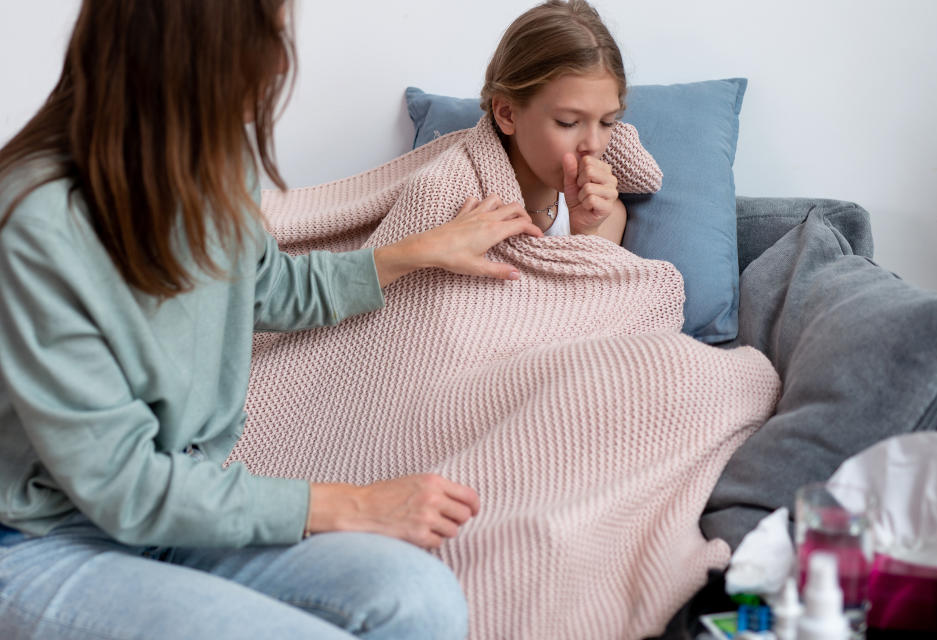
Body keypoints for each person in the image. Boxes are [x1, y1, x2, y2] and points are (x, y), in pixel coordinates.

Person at [0, 1, 542, 639]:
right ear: (195, 52)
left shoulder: (207, 165)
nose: (282, 62)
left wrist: (422, 250)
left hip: (183, 508)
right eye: (271, 39)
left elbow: (261, 288)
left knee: (420, 599)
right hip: (41, 542)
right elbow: (126, 487)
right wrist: (352, 504)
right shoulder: (37, 226)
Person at [481, 0, 632, 244]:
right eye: (568, 122)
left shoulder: (606, 215)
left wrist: (586, 234)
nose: (593, 145)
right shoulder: (459, 203)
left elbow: (597, 283)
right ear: (507, 113)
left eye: (607, 122)